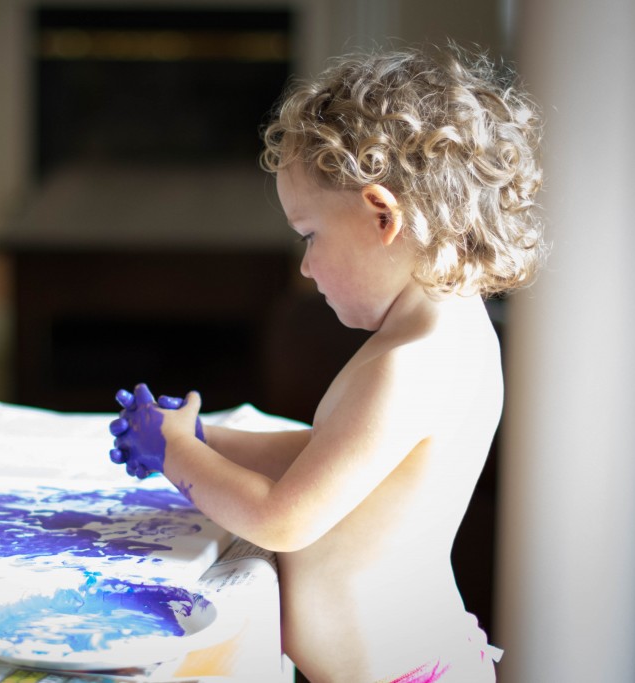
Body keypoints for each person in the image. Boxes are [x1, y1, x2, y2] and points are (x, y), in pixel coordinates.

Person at [108, 43, 546, 683]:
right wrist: (207, 438)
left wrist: (176, 454)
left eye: (310, 235)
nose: (306, 266)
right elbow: (332, 461)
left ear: (381, 215)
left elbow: (282, 518)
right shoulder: (451, 335)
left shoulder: (408, 365)